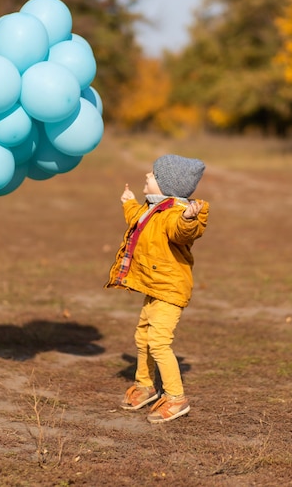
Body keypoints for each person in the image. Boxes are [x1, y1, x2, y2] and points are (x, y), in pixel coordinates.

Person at [105, 154, 209, 423]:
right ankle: (146, 385)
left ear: (167, 185)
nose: (147, 176)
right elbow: (136, 219)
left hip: (170, 290)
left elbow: (182, 232)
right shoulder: (152, 209)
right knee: (143, 337)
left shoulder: (174, 213)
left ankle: (176, 398)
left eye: (153, 174)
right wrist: (128, 203)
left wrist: (188, 218)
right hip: (155, 287)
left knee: (159, 342)